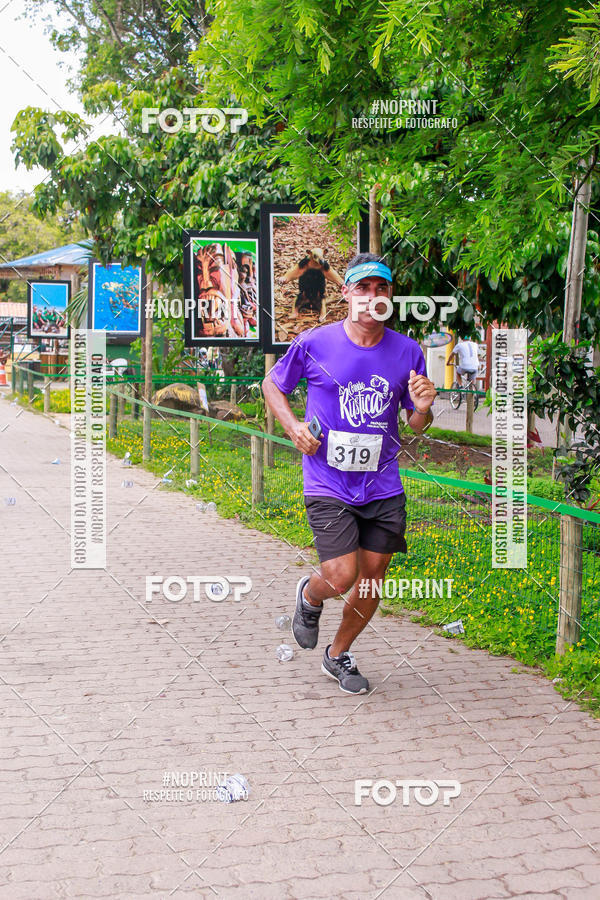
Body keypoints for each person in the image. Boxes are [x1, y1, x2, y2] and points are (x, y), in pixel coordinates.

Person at [262, 252, 437, 694]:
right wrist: (293, 427)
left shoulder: (407, 351)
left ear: (390, 296)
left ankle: (338, 654)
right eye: (363, 287)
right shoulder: (314, 343)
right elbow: (272, 385)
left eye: (382, 288)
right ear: (346, 293)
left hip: (382, 483)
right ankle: (310, 595)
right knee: (341, 575)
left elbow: (416, 425)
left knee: (372, 579)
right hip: (327, 481)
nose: (372, 296)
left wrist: (423, 408)